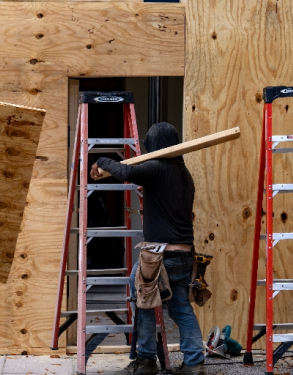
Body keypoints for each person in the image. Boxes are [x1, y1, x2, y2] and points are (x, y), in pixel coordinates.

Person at [91, 122, 205, 375]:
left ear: (153, 145)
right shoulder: (183, 174)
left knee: (142, 301)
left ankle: (145, 361)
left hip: (160, 256)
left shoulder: (159, 167)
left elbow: (124, 172)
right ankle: (195, 363)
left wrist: (100, 159)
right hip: (184, 255)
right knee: (180, 308)